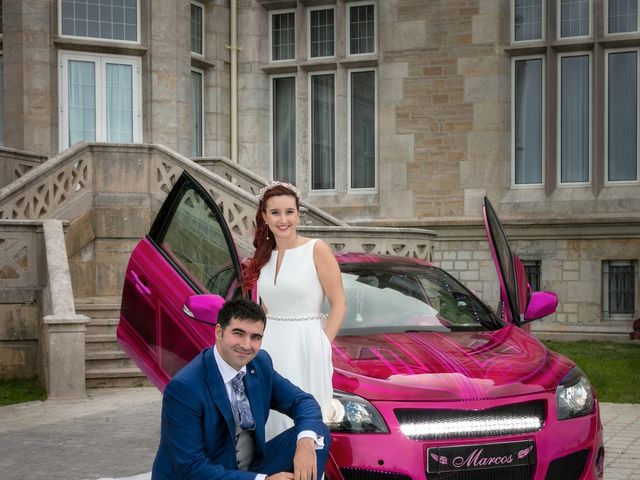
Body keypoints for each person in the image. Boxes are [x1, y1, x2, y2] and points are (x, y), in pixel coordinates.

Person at [152, 297, 331, 480]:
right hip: (205, 474)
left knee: (317, 434)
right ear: (219, 331)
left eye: (255, 337)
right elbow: (191, 467)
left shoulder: (260, 364)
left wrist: (305, 443)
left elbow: (303, 402)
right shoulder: (184, 388)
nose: (246, 345)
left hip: (250, 468)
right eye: (238, 333)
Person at [244, 181, 346, 440]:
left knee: (304, 420)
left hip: (307, 344)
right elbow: (265, 309)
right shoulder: (262, 258)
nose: (283, 219)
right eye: (275, 212)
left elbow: (339, 303)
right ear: (265, 217)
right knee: (272, 418)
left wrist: (323, 344)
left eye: (289, 211)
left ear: (298, 214)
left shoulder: (316, 249)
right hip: (270, 346)